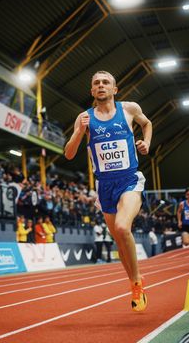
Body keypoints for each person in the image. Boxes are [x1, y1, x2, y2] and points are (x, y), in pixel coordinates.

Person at [64, 70, 152, 312]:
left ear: (115, 89)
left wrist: (147, 142)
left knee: (124, 228)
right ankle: (135, 280)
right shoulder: (84, 118)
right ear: (92, 91)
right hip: (104, 186)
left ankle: (136, 283)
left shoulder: (129, 109)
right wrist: (79, 133)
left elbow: (147, 124)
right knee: (120, 241)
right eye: (96, 83)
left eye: (106, 82)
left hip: (130, 180)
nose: (101, 85)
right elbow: (69, 154)